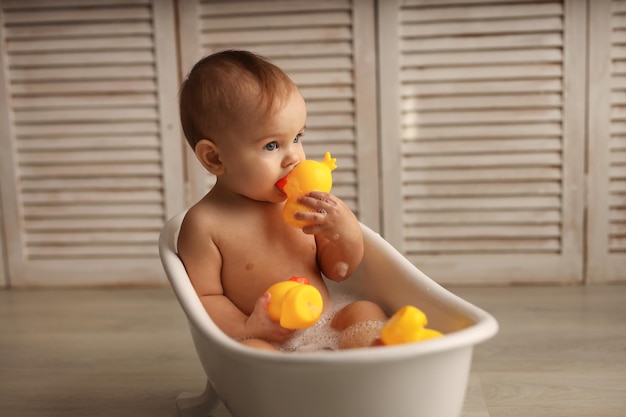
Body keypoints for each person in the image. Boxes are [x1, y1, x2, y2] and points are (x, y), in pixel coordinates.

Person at [177, 50, 387, 351]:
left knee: (365, 311)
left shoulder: (304, 206)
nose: (294, 157)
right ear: (214, 157)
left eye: (298, 137)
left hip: (325, 321)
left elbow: (339, 269)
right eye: (272, 145)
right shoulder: (205, 224)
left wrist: (343, 229)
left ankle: (369, 369)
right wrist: (247, 328)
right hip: (263, 338)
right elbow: (203, 300)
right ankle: (288, 389)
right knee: (255, 352)